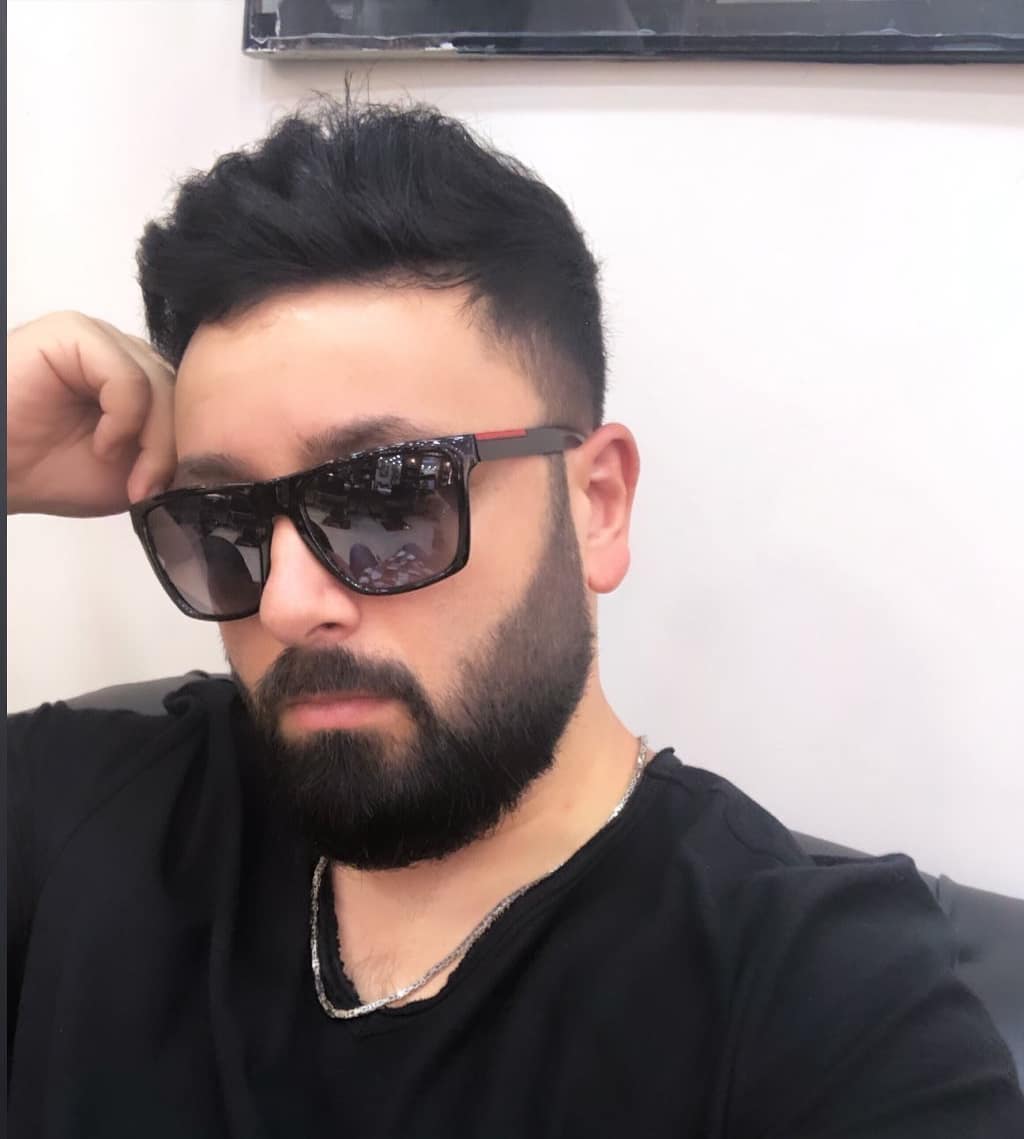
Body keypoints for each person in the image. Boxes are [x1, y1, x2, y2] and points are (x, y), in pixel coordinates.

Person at [6, 95, 1023, 1138]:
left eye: (388, 501)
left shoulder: (824, 1008)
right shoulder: (88, 820)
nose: (288, 601)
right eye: (226, 522)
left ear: (596, 504)